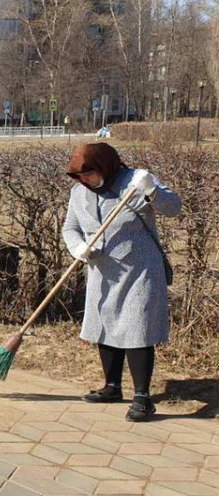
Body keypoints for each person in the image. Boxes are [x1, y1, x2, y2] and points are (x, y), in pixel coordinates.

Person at [62, 142, 181, 422]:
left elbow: (173, 207)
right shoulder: (79, 192)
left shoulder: (136, 180)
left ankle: (142, 397)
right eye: (79, 176)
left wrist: (151, 189)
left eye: (88, 174)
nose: (84, 180)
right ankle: (112, 386)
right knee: (105, 323)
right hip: (103, 270)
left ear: (104, 167)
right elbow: (71, 227)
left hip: (139, 269)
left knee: (136, 327)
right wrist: (77, 246)